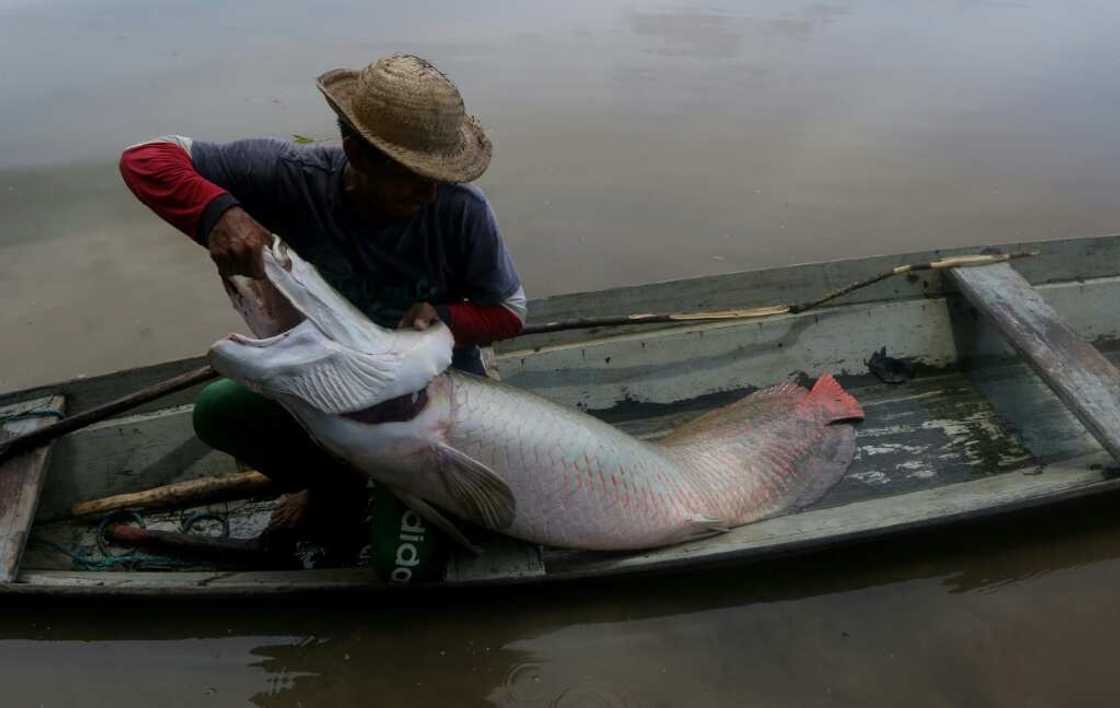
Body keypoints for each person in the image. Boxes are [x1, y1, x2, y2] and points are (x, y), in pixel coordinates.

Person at [119, 54, 525, 542]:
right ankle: (335, 485)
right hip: (323, 383)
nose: (429, 192)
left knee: (424, 552)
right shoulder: (292, 176)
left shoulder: (462, 212)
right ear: (356, 152)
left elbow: (508, 312)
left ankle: (404, 478)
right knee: (220, 410)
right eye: (410, 174)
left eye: (436, 175)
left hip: (432, 397)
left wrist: (444, 317)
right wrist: (217, 214)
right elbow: (146, 158)